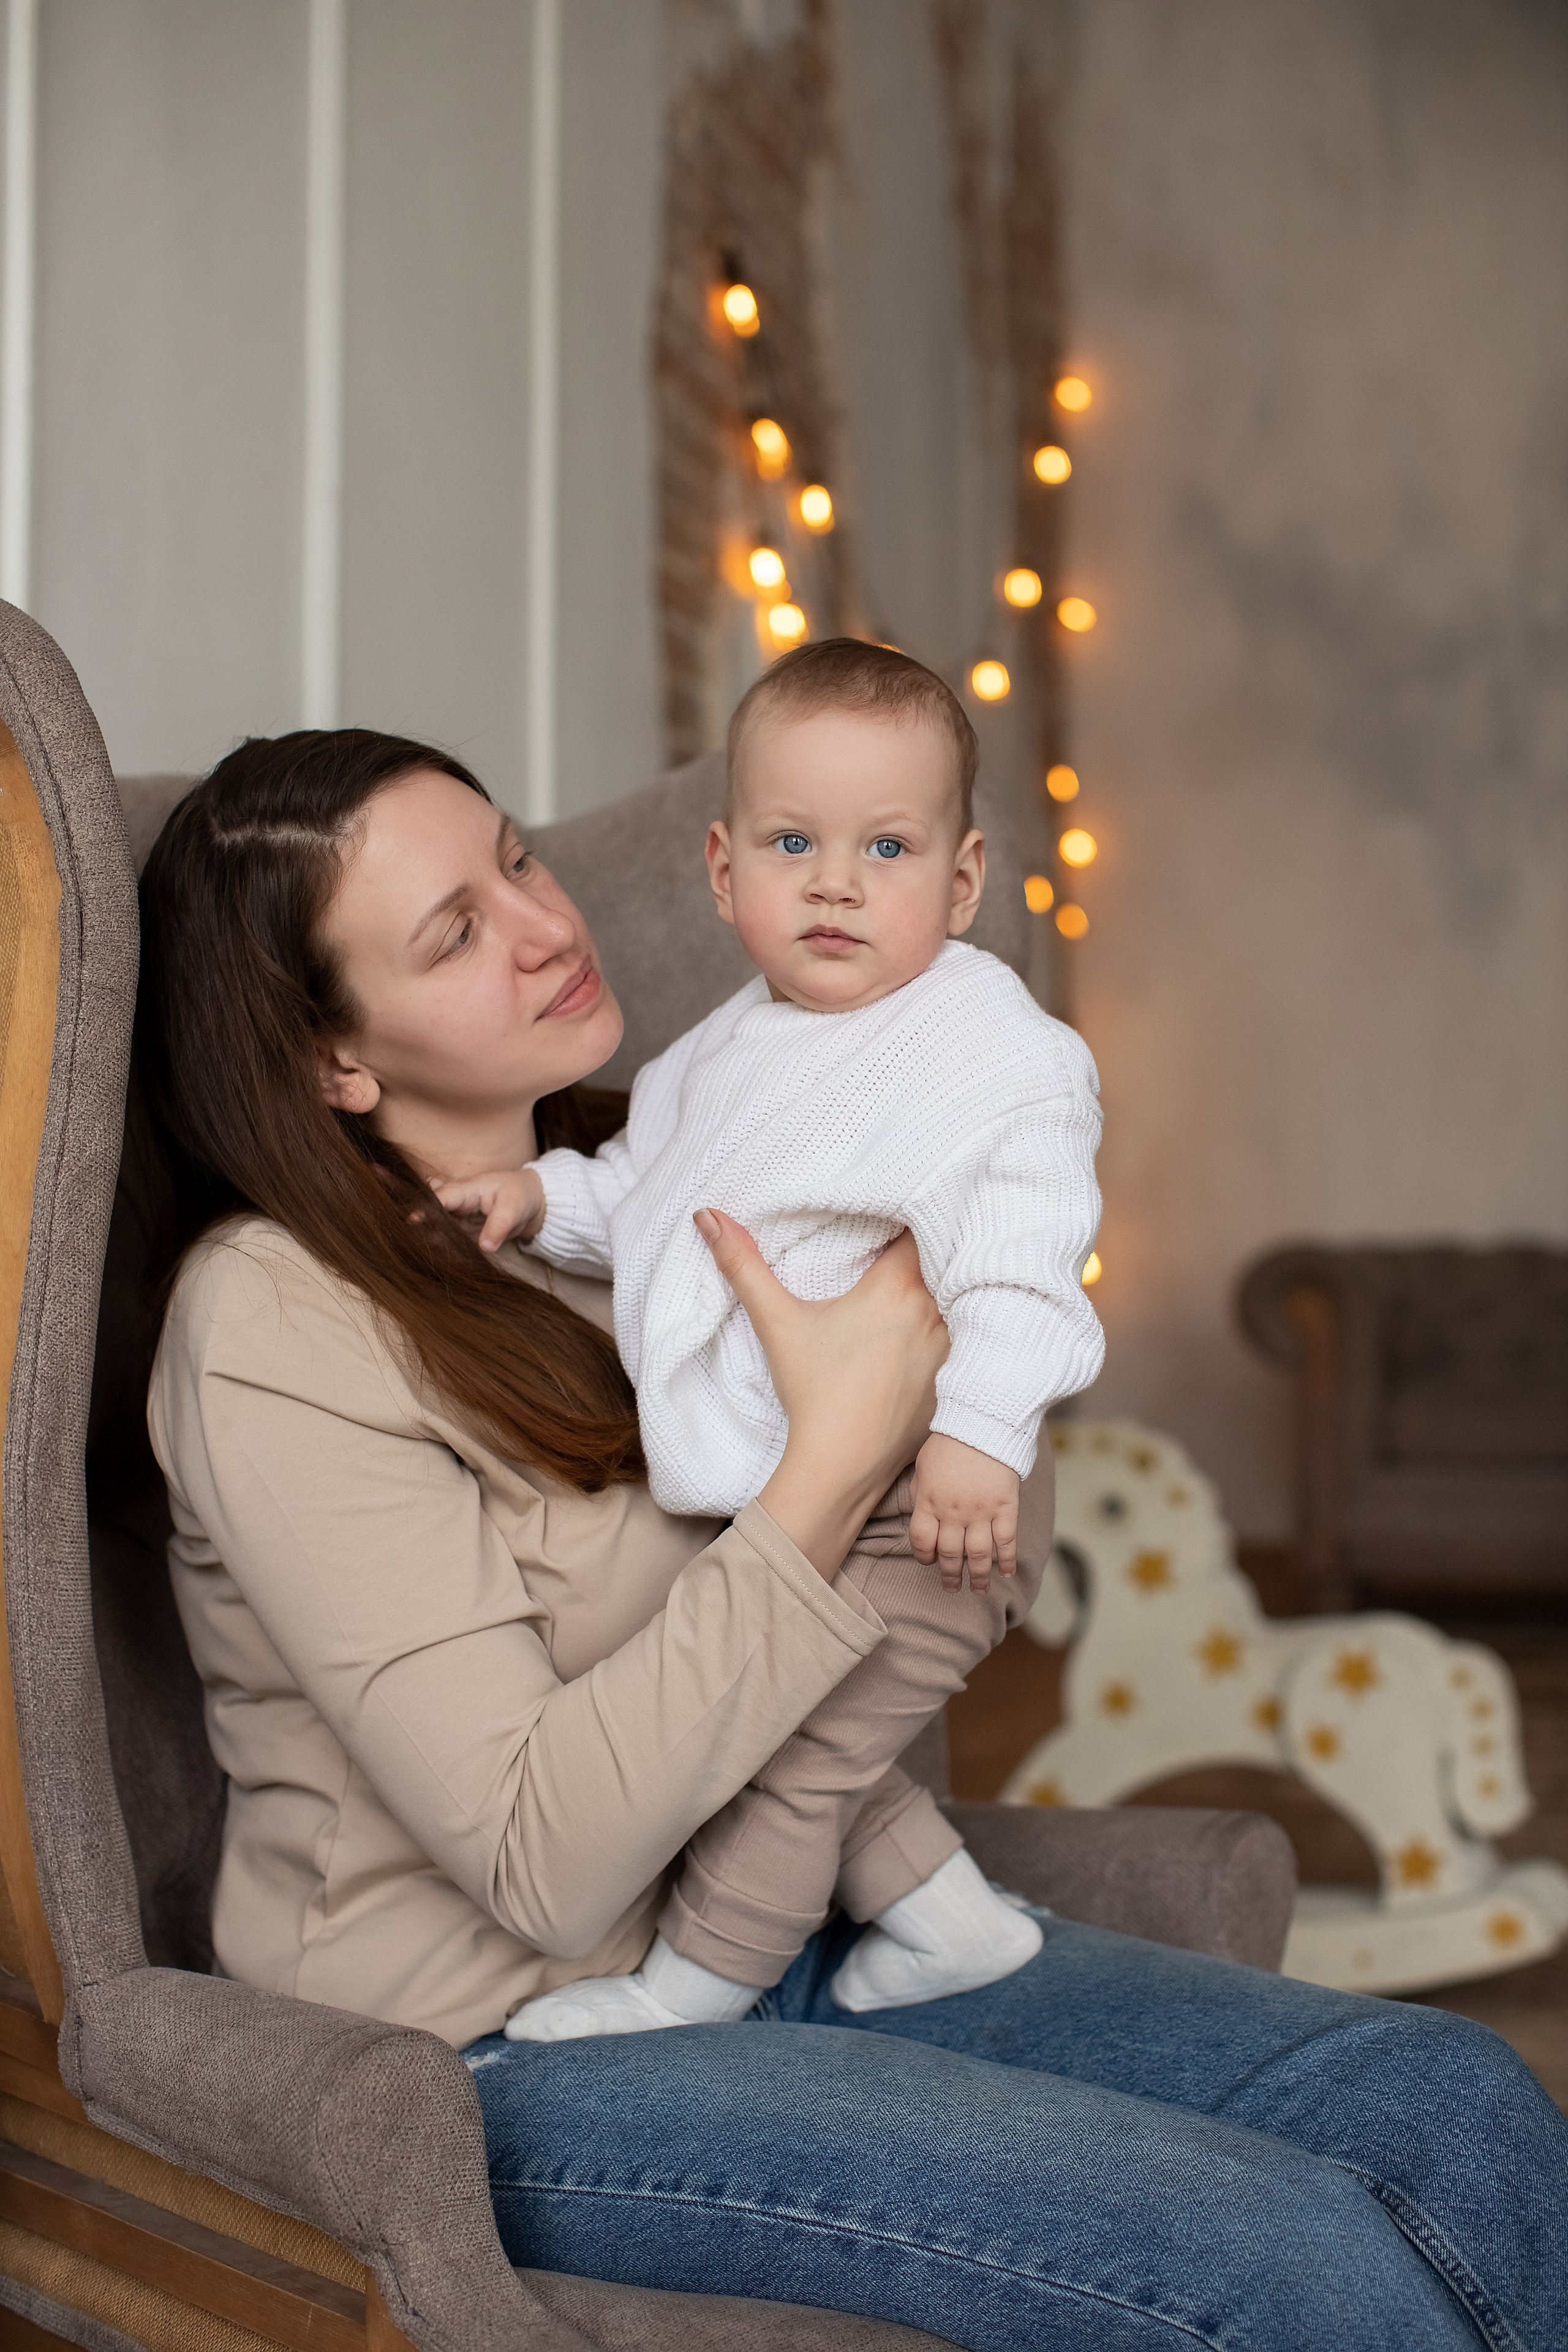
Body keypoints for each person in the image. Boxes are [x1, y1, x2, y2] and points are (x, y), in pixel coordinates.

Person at [137, 726, 1568, 2352]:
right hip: (507, 2043)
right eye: (454, 932)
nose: (542, 925)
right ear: (335, 1059)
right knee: (1291, 2260)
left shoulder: (658, 1199)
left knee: (1459, 2102)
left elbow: (963, 1513)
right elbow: (539, 1859)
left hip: (790, 1925)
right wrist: (830, 1456)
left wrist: (951, 1405)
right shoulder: (273, 1318)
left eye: (517, 859)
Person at [437, 641, 1104, 2042]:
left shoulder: (991, 1049)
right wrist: (542, 1196)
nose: (837, 884)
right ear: (724, 873)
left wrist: (981, 1437)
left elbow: (1027, 1265)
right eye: (793, 842)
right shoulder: (710, 1058)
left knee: (795, 1758)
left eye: (887, 847)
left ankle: (700, 1985)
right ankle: (951, 1924)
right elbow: (654, 1207)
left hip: (935, 1492)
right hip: (804, 1486)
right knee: (813, 1728)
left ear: (963, 882)